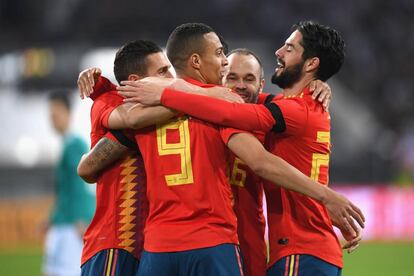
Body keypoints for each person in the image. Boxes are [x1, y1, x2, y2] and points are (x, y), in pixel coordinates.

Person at [118, 21, 363, 275]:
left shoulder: (265, 115)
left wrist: (165, 90)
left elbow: (256, 149)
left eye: (249, 79)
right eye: (231, 76)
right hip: (222, 244)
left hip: (257, 247)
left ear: (260, 85)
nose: (239, 86)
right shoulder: (258, 113)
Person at [77, 40, 176, 276]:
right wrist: (200, 99)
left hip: (152, 247)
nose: (171, 76)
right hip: (116, 243)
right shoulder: (109, 101)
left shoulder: (160, 113)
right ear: (134, 81)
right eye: (162, 71)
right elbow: (131, 120)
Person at [44, 91, 95, 276]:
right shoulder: (67, 143)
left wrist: (82, 217)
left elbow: (81, 184)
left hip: (71, 227)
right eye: (50, 112)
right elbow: (66, 191)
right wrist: (52, 218)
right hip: (63, 223)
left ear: (68, 112)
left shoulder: (74, 144)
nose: (52, 116)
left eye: (56, 111)